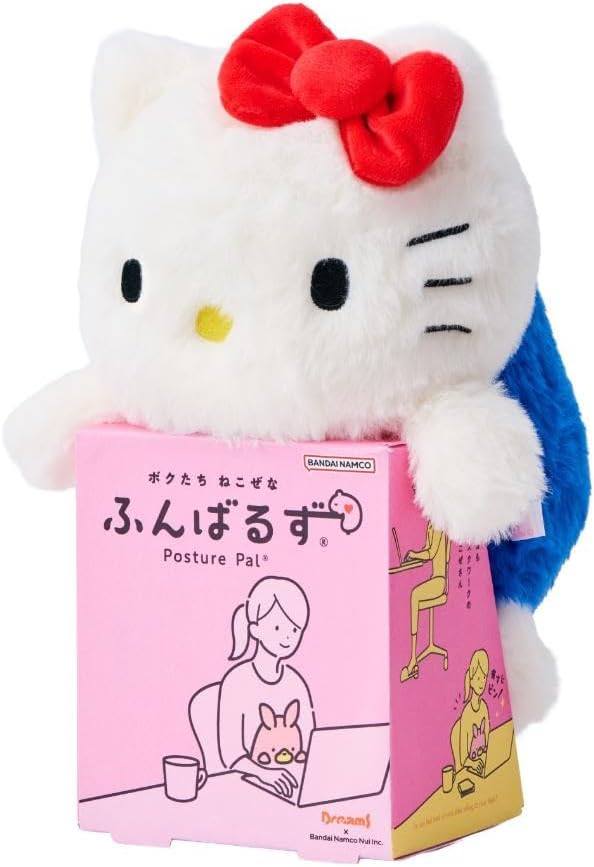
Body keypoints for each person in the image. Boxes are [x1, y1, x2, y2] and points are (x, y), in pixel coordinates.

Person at [217, 576, 315, 798]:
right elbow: (231, 755)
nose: (288, 636)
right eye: (278, 627)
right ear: (255, 629)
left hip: (294, 784)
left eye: (295, 630)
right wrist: (264, 774)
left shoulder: (296, 682)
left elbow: (311, 743)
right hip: (248, 787)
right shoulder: (236, 681)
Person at [401, 523, 450, 681]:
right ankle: (414, 656)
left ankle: (413, 659)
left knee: (414, 595)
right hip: (434, 579)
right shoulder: (430, 525)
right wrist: (415, 556)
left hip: (439, 581)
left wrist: (414, 554)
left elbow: (431, 553)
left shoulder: (438, 523)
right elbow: (428, 550)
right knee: (414, 598)